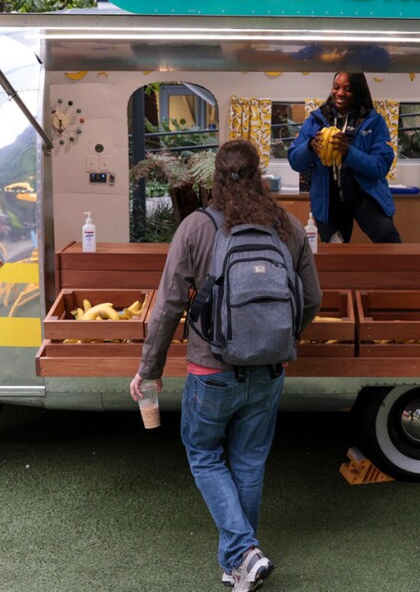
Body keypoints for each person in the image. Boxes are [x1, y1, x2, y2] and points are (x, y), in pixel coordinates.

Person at [131, 140, 322, 592]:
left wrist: (149, 369)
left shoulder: (196, 227)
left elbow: (168, 306)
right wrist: (280, 336)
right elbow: (312, 299)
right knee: (249, 461)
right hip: (270, 370)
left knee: (203, 454)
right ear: (260, 176)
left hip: (210, 369)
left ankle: (241, 552)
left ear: (214, 177)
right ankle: (236, 561)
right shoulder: (289, 228)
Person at [287, 72, 401, 243]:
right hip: (328, 200)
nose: (340, 93)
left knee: (389, 241)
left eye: (348, 89)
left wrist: (349, 152)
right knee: (335, 253)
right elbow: (295, 161)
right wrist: (310, 146)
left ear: (358, 91)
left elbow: (381, 166)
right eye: (336, 87)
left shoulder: (374, 121)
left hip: (364, 196)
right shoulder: (316, 120)